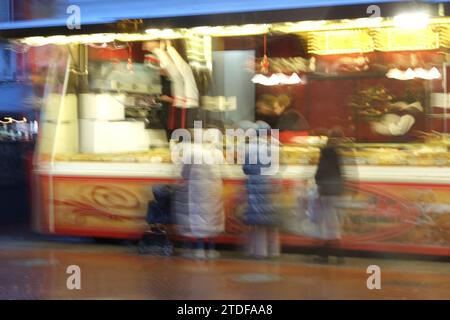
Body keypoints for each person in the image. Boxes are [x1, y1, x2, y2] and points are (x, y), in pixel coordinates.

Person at [241, 121, 280, 259]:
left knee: (257, 222)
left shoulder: (250, 148)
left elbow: (246, 168)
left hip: (254, 185)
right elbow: (277, 168)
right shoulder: (272, 147)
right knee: (269, 219)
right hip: (268, 185)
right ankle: (274, 251)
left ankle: (259, 252)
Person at [313, 128, 345, 264]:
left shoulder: (326, 152)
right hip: (337, 191)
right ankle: (330, 254)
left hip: (327, 191)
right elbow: (341, 173)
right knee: (333, 222)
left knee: (329, 223)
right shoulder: (339, 152)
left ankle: (333, 254)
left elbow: (320, 173)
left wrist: (318, 184)